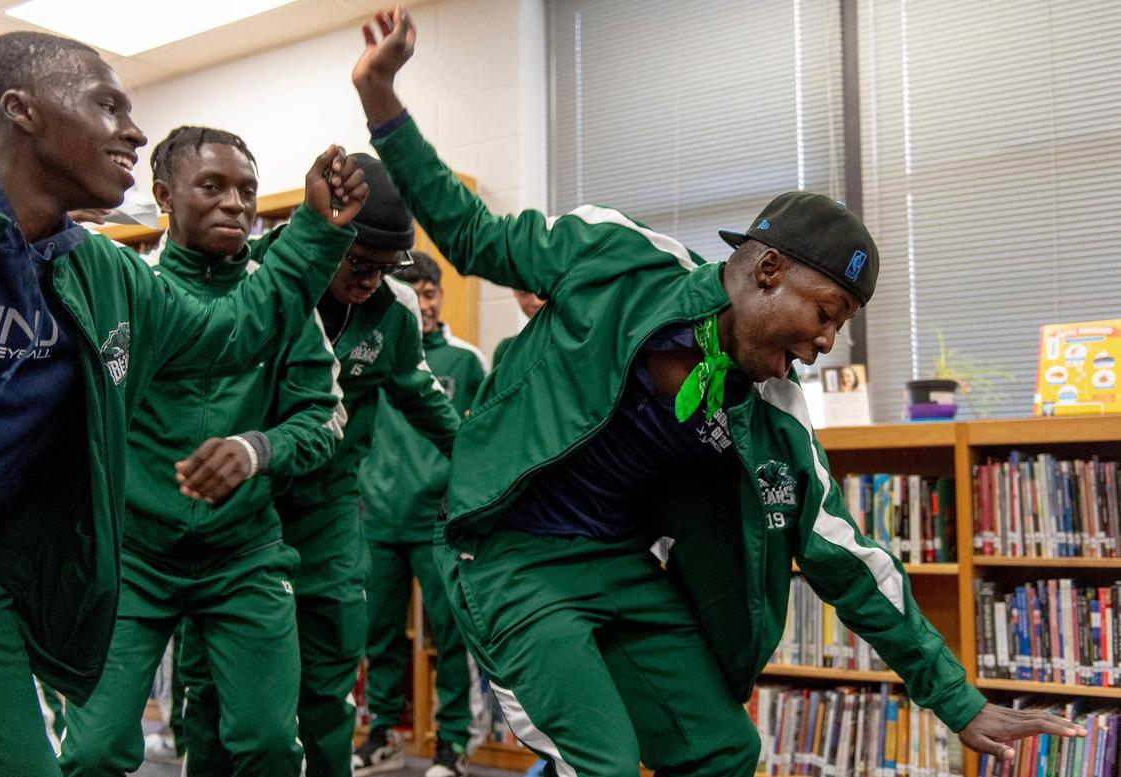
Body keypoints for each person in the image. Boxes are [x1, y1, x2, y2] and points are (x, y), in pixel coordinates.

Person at [348, 9, 1086, 777]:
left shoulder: (773, 416)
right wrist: (382, 102)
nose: (828, 340)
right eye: (826, 312)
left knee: (725, 749)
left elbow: (848, 559)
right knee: (599, 763)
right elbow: (470, 235)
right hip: (507, 553)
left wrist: (958, 700)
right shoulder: (619, 260)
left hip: (613, 559)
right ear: (767, 272)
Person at [0, 32, 363, 776]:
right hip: (135, 553)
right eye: (108, 105)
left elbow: (235, 332)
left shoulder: (102, 274)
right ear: (21, 111)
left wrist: (313, 231)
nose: (135, 129)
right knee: (89, 749)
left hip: (216, 553)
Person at [57, 125, 348, 776]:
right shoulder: (125, 289)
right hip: (134, 557)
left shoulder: (280, 299)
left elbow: (324, 413)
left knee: (270, 744)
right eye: (211, 186)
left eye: (246, 191)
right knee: (94, 749)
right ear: (163, 194)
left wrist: (257, 448)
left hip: (243, 557)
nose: (236, 205)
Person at [181, 154, 462, 777]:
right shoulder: (251, 278)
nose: (370, 281)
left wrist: (484, 463)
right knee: (216, 687)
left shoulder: (390, 314)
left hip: (327, 509)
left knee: (330, 676)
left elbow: (423, 401)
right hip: (238, 507)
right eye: (358, 263)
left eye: (386, 270)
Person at [355, 250, 488, 777]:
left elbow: (481, 442)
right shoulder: (374, 351)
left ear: (438, 294)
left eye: (429, 292)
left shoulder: (465, 360)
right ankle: (383, 733)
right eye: (412, 294)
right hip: (378, 520)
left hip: (439, 522)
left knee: (450, 634)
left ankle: (452, 744)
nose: (423, 304)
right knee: (378, 635)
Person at [492, 288, 545, 369]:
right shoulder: (507, 350)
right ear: (515, 294)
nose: (536, 302)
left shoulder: (568, 341)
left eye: (543, 293)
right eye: (525, 293)